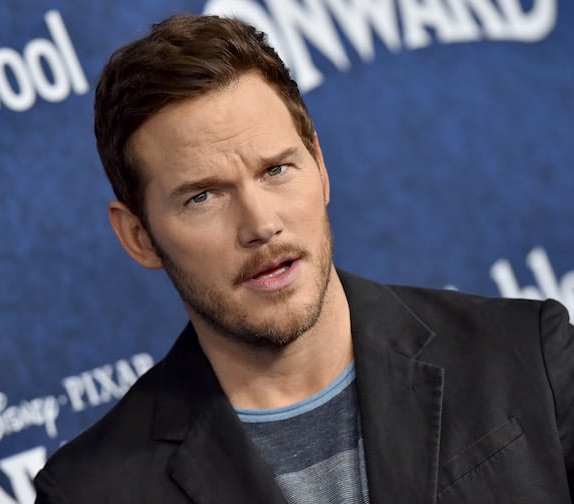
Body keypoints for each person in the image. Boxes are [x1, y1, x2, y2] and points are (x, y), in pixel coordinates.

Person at [34, 14, 574, 504]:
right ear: (139, 237)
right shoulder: (90, 492)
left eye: (276, 170)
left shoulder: (527, 354)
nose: (260, 224)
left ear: (319, 164)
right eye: (203, 197)